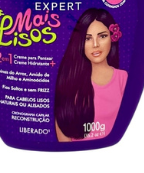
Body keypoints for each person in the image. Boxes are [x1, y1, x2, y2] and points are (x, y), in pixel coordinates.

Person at [54, 8, 128, 141]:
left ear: (112, 37)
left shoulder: (123, 80)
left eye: (102, 36)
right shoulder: (69, 84)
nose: (95, 44)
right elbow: (63, 137)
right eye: (88, 38)